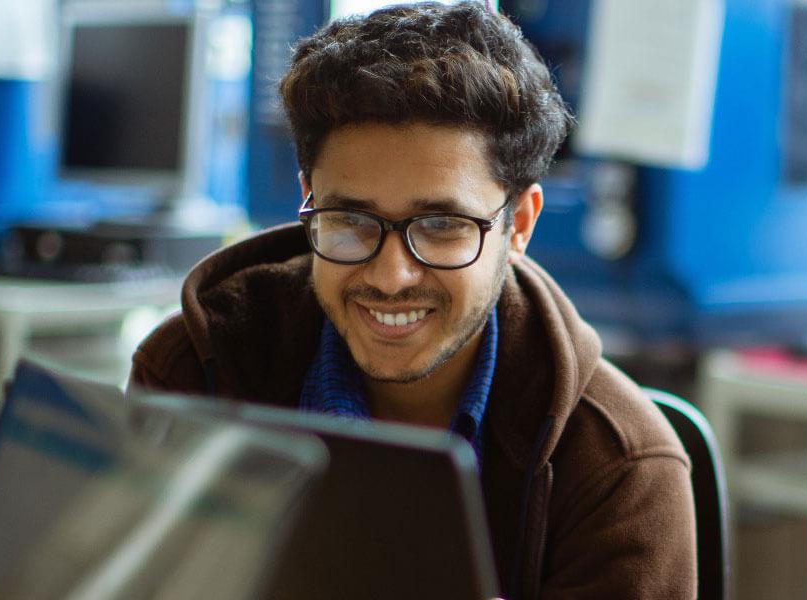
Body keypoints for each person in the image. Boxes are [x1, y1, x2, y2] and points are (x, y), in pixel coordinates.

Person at [129, 3, 694, 597]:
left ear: (519, 225)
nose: (391, 275)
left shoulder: (618, 466)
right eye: (350, 219)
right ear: (309, 198)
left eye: (442, 225)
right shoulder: (191, 374)